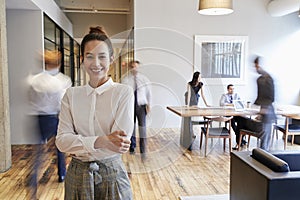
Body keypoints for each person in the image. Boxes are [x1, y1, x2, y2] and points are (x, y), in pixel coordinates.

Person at [55, 26, 134, 199]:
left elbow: (119, 143)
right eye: (89, 56)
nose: (96, 63)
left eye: (102, 56)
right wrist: (102, 140)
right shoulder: (71, 95)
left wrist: (79, 143)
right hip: (77, 175)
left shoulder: (123, 92)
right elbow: (61, 142)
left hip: (112, 173)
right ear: (82, 59)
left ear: (111, 59)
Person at [28, 49, 72, 183]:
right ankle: (62, 175)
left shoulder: (35, 80)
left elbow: (31, 99)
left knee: (39, 151)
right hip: (56, 117)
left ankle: (34, 177)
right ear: (58, 64)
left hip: (40, 118)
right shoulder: (63, 80)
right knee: (60, 148)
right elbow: (63, 101)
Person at [233, 56, 276, 151]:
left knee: (265, 139)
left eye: (257, 66)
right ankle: (261, 153)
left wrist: (263, 110)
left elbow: (270, 98)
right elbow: (262, 97)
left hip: (267, 113)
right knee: (241, 120)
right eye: (255, 66)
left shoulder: (267, 79)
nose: (256, 68)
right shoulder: (260, 80)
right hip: (263, 111)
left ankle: (264, 156)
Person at [121, 60, 152, 159]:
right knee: (131, 128)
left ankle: (143, 152)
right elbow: (122, 94)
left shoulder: (144, 79)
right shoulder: (125, 80)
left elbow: (149, 93)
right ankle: (132, 147)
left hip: (141, 106)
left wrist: (149, 105)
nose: (135, 68)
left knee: (142, 128)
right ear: (130, 68)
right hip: (130, 106)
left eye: (136, 67)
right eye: (133, 67)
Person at [182, 71, 210, 151]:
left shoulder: (201, 84)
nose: (200, 78)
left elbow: (203, 94)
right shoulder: (189, 84)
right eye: (199, 76)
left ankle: (192, 133)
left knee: (193, 114)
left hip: (196, 98)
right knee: (189, 116)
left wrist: (207, 104)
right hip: (189, 97)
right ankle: (191, 133)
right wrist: (187, 105)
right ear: (196, 77)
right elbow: (189, 94)